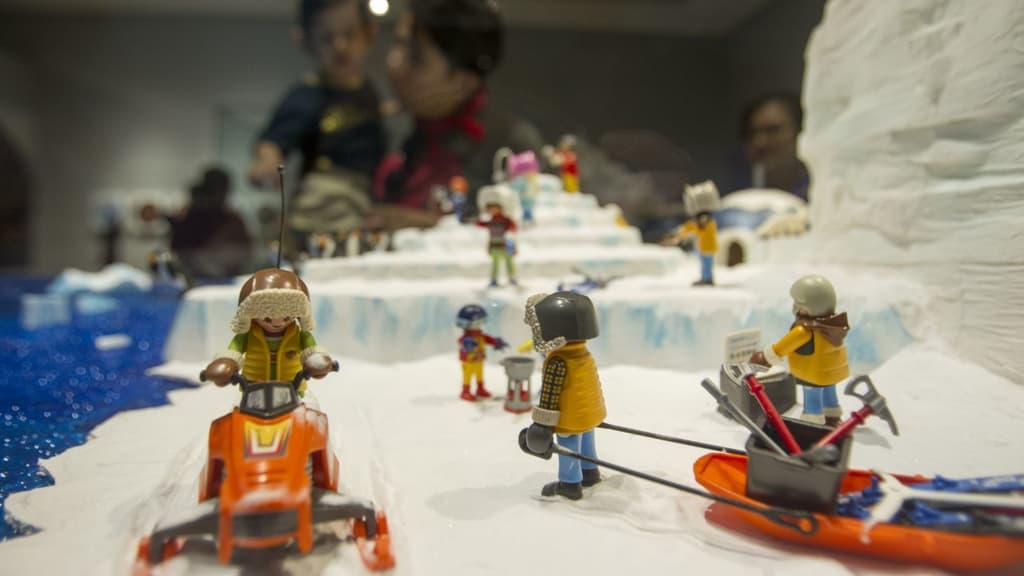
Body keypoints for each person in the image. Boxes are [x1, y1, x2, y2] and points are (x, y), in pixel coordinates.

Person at [371, 0, 544, 230]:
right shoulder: (390, 129)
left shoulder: (509, 145)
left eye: (416, 57)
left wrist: (429, 226)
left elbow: (529, 228)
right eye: (396, 44)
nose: (394, 64)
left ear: (465, 82)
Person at [248, 0, 386, 244]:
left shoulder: (369, 91)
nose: (340, 46)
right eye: (327, 38)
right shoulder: (307, 95)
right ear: (305, 41)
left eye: (350, 35)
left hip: (364, 202)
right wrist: (267, 162)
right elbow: (275, 139)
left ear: (370, 35)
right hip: (324, 206)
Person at [519, 291, 606, 501]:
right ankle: (590, 471)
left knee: (568, 444)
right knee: (586, 438)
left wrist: (542, 426)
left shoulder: (558, 361)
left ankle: (570, 483)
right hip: (590, 413)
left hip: (570, 418)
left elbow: (549, 397)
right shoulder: (584, 353)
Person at [203, 268, 334, 397]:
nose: (277, 323)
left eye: (287, 318)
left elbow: (312, 351)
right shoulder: (247, 336)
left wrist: (316, 361)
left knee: (309, 408)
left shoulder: (299, 335)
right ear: (249, 314)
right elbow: (233, 352)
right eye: (267, 318)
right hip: (253, 390)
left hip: (292, 389)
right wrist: (226, 364)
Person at [748, 275, 849, 426]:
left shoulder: (804, 331)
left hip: (812, 373)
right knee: (829, 391)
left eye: (797, 303)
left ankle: (813, 423)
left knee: (812, 396)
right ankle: (833, 417)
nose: (794, 307)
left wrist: (765, 357)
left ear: (808, 307)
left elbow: (782, 347)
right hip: (831, 373)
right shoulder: (835, 325)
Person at [167, 166, 252, 278]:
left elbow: (243, 253)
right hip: (193, 273)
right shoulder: (192, 216)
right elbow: (179, 251)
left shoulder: (232, 220)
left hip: (221, 276)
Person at [725, 93, 809, 201]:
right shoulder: (736, 197)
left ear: (801, 132)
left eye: (773, 130)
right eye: (751, 133)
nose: (760, 142)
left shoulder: (821, 193)